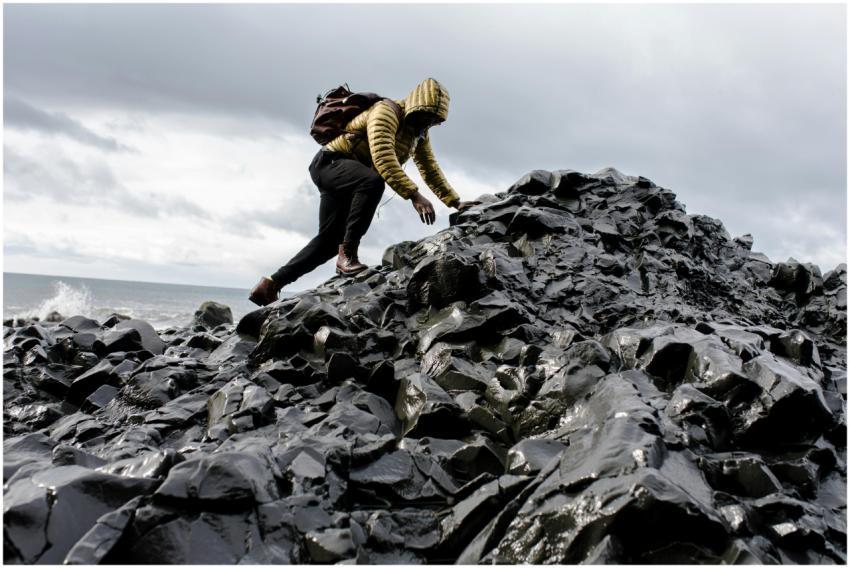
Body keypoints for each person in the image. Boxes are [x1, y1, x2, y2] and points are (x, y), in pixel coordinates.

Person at [249, 78, 478, 306]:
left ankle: (270, 285)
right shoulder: (386, 112)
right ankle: (348, 255)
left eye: (435, 120)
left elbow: (429, 167)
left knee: (328, 242)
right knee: (373, 182)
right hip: (329, 164)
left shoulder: (418, 132)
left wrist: (455, 202)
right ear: (418, 107)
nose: (430, 123)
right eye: (428, 115)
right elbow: (383, 157)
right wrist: (414, 195)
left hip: (348, 177)